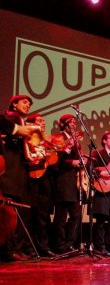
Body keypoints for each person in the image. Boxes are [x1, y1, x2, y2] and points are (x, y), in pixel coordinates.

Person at [0, 95, 37, 262]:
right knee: (10, 207)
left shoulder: (20, 121)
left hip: (18, 167)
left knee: (15, 209)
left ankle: (13, 249)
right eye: (24, 102)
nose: (27, 105)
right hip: (11, 167)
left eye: (29, 103)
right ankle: (9, 250)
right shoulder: (12, 117)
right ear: (14, 104)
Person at [52, 114, 87, 254]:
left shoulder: (77, 141)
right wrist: (69, 154)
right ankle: (59, 245)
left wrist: (83, 161)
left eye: (74, 122)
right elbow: (55, 160)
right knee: (61, 216)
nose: (74, 124)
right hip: (63, 180)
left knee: (76, 215)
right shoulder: (57, 138)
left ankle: (69, 243)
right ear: (63, 124)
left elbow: (78, 158)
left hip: (75, 181)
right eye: (70, 122)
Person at [25, 113, 58, 257]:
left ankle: (43, 247)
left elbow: (53, 162)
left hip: (45, 181)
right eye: (40, 121)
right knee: (30, 216)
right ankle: (29, 247)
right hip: (31, 180)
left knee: (43, 216)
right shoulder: (27, 139)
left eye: (44, 121)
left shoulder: (46, 141)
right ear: (30, 123)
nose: (43, 123)